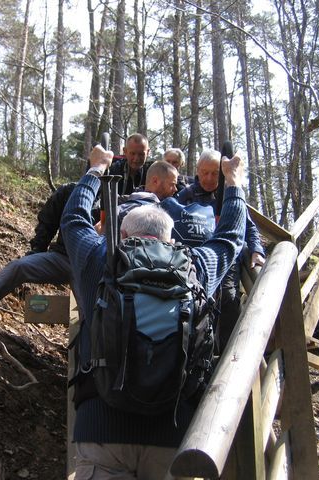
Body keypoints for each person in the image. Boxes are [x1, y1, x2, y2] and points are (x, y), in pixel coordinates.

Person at [61, 144, 247, 479]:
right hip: (173, 436)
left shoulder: (101, 259)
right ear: (171, 238)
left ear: (122, 234)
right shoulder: (195, 267)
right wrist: (232, 182)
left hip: (102, 432)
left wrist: (96, 169)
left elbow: (73, 219)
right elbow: (231, 237)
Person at [0, 182, 91, 330]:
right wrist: (37, 248)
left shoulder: (112, 198)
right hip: (62, 258)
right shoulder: (71, 191)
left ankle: (93, 351)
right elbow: (48, 222)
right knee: (18, 267)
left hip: (91, 267)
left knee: (89, 311)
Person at [177, 149, 266, 348]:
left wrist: (256, 250)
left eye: (214, 173)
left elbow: (248, 225)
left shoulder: (230, 194)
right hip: (197, 259)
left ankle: (228, 351)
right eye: (205, 172)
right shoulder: (187, 195)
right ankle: (198, 349)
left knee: (228, 297)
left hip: (225, 257)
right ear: (197, 172)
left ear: (223, 172)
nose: (209, 178)